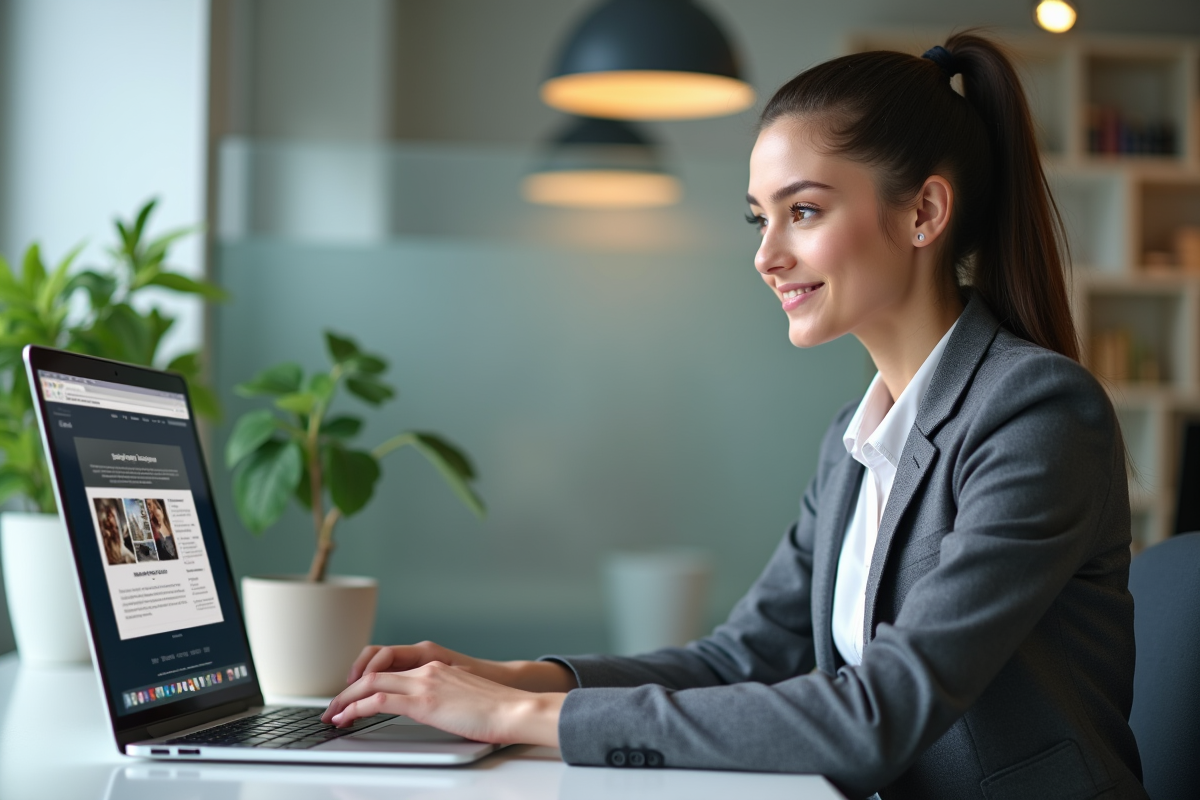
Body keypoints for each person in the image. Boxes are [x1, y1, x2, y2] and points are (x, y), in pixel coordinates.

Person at [321, 32, 1145, 799]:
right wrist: (513, 679)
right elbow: (741, 658)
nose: (766, 254)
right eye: (760, 217)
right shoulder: (853, 443)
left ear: (924, 213)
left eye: (805, 211)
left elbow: (878, 715)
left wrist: (515, 721)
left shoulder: (1035, 415)